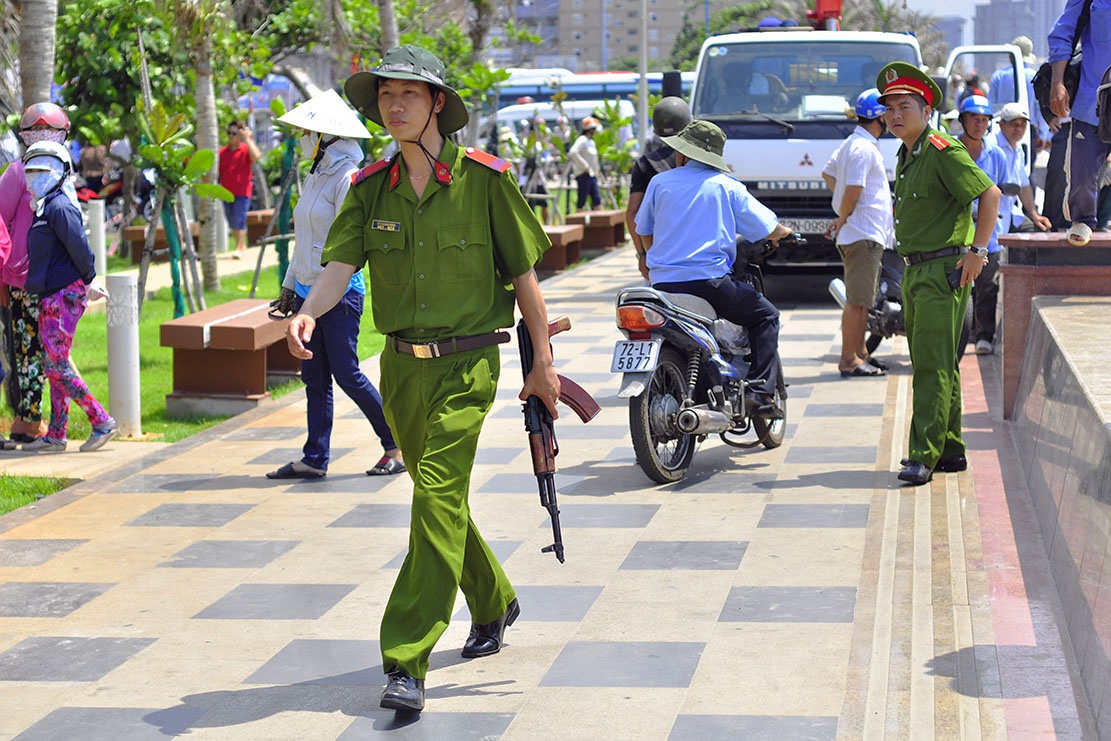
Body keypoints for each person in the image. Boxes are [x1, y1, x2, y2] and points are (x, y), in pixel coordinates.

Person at [286, 44, 560, 713]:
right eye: (385, 95)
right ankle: (492, 599)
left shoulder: (486, 181)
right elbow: (338, 266)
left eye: (408, 93)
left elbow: (524, 276)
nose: (395, 105)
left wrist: (543, 363)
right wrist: (308, 312)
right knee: (440, 498)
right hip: (401, 369)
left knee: (434, 494)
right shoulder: (369, 187)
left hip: (469, 362)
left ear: (437, 102)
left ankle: (406, 658)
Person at [265, 89, 404, 481]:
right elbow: (303, 240)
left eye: (307, 133)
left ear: (326, 137)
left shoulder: (346, 179)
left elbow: (349, 244)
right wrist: (289, 287)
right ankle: (314, 458)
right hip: (306, 292)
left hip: (340, 293)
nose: (302, 139)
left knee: (347, 373)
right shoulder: (315, 176)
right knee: (314, 377)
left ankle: (395, 445)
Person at [876, 62, 1000, 486]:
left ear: (927, 111)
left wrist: (978, 252)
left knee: (930, 367)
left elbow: (989, 194)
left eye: (904, 106)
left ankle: (921, 455)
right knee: (940, 362)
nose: (895, 115)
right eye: (889, 107)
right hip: (916, 269)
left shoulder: (942, 150)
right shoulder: (907, 154)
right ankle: (949, 448)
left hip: (942, 269)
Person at [635, 120, 792, 418]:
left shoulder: (660, 183)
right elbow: (768, 227)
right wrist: (785, 233)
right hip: (710, 283)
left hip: (663, 286)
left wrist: (658, 261)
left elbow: (644, 230)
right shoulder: (726, 185)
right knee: (766, 316)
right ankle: (760, 392)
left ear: (684, 154)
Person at [19, 141, 116, 453]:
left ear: (60, 172)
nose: (34, 176)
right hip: (50, 295)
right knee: (55, 364)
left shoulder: (59, 207)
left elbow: (80, 248)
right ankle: (57, 434)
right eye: (30, 170)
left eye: (41, 170)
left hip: (62, 296)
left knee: (55, 366)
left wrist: (90, 280)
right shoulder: (45, 206)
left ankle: (101, 420)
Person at [0, 102, 72, 448]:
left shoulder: (62, 171)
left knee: (45, 353)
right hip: (23, 278)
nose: (43, 136)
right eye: (37, 131)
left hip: (54, 280)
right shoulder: (17, 173)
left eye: (50, 131)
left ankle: (30, 420)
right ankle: (28, 421)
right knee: (31, 353)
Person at [821, 88, 892, 378]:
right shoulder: (863, 148)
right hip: (861, 232)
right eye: (889, 111)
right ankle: (849, 359)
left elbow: (828, 173)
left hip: (864, 233)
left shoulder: (855, 143)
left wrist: (843, 208)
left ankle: (861, 353)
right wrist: (844, 215)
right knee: (856, 302)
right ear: (879, 116)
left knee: (863, 301)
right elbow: (853, 188)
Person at [954, 95, 1013, 357]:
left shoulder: (996, 154)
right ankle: (956, 334)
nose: (979, 125)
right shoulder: (950, 151)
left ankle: (984, 335)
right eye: (974, 119)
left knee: (988, 287)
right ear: (962, 120)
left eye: (984, 120)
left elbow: (1002, 192)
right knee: (956, 285)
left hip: (988, 234)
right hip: (956, 232)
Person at [1049, 0, 1111, 246]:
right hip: (1092, 100)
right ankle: (1082, 219)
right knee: (1082, 173)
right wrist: (1057, 82)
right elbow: (1062, 33)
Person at [626, 96, 691, 280]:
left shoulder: (645, 163)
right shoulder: (697, 160)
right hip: (697, 254)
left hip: (659, 255)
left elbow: (632, 212)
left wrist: (642, 254)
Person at [987, 36, 1051, 148]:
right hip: (1026, 128)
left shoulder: (998, 76)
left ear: (1010, 56)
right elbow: (1040, 108)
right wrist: (1042, 134)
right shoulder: (1034, 77)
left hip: (1001, 127)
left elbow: (991, 105)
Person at [218, 120, 261, 257]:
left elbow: (256, 156)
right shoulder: (222, 152)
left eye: (234, 133)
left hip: (242, 192)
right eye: (229, 133)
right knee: (232, 222)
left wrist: (247, 138)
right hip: (226, 193)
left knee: (239, 219)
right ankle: (241, 245)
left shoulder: (245, 149)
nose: (231, 136)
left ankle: (238, 247)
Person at [568, 116, 601, 210]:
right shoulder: (582, 140)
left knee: (597, 199)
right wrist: (584, 166)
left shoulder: (591, 142)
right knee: (582, 200)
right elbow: (573, 152)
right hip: (583, 174)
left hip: (592, 175)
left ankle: (601, 218)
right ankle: (579, 216)